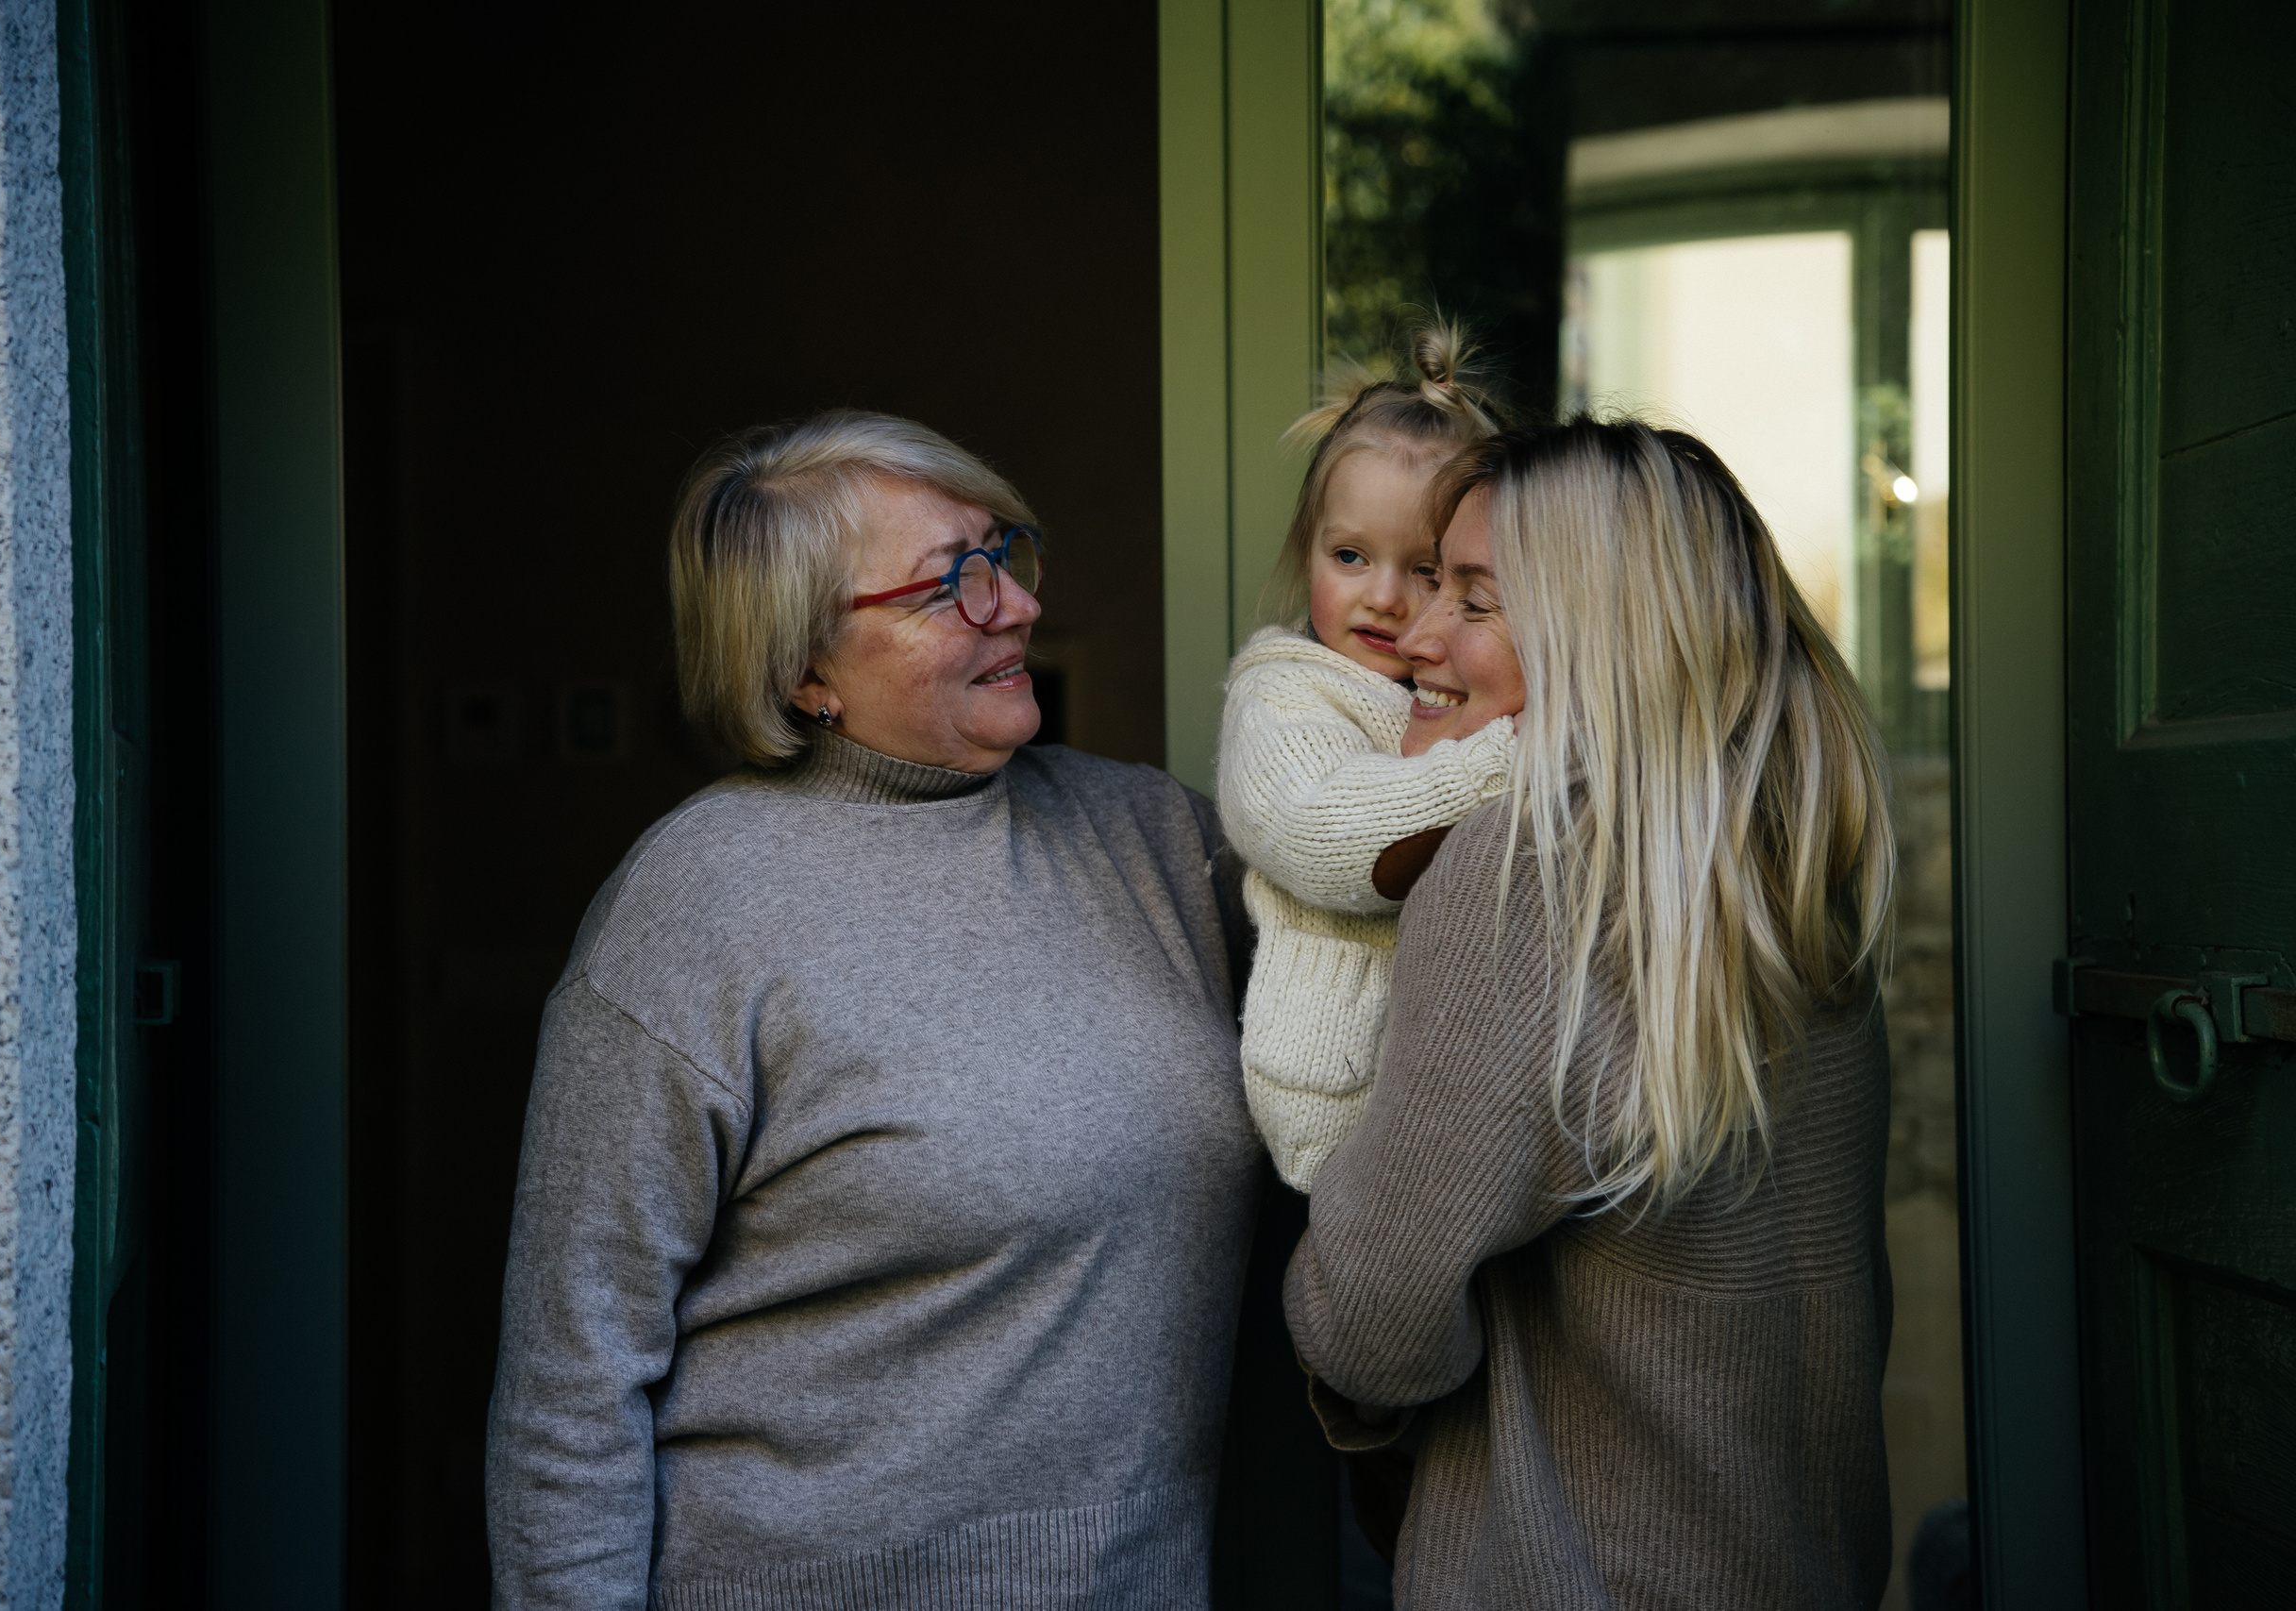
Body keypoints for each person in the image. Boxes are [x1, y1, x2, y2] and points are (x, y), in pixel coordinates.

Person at [484, 410, 1265, 1608]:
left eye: (1000, 552)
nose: (1010, 603)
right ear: (804, 670)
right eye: (945, 584)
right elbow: (570, 1387)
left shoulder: (1152, 838)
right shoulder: (693, 908)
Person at [1286, 419, 1898, 1609]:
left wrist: (1366, 1398)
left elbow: (1370, 1323)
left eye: (1473, 601)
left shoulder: (1526, 877)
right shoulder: (1788, 859)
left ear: (1601, 635)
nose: (1412, 634)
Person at [1215, 319, 1521, 1193]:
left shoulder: (1457, 682)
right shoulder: (1283, 692)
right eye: (1350, 556)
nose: (1384, 598)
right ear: (1305, 549)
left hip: (1450, 1071)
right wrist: (1513, 756)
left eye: (1428, 570)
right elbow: (1330, 837)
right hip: (1336, 1096)